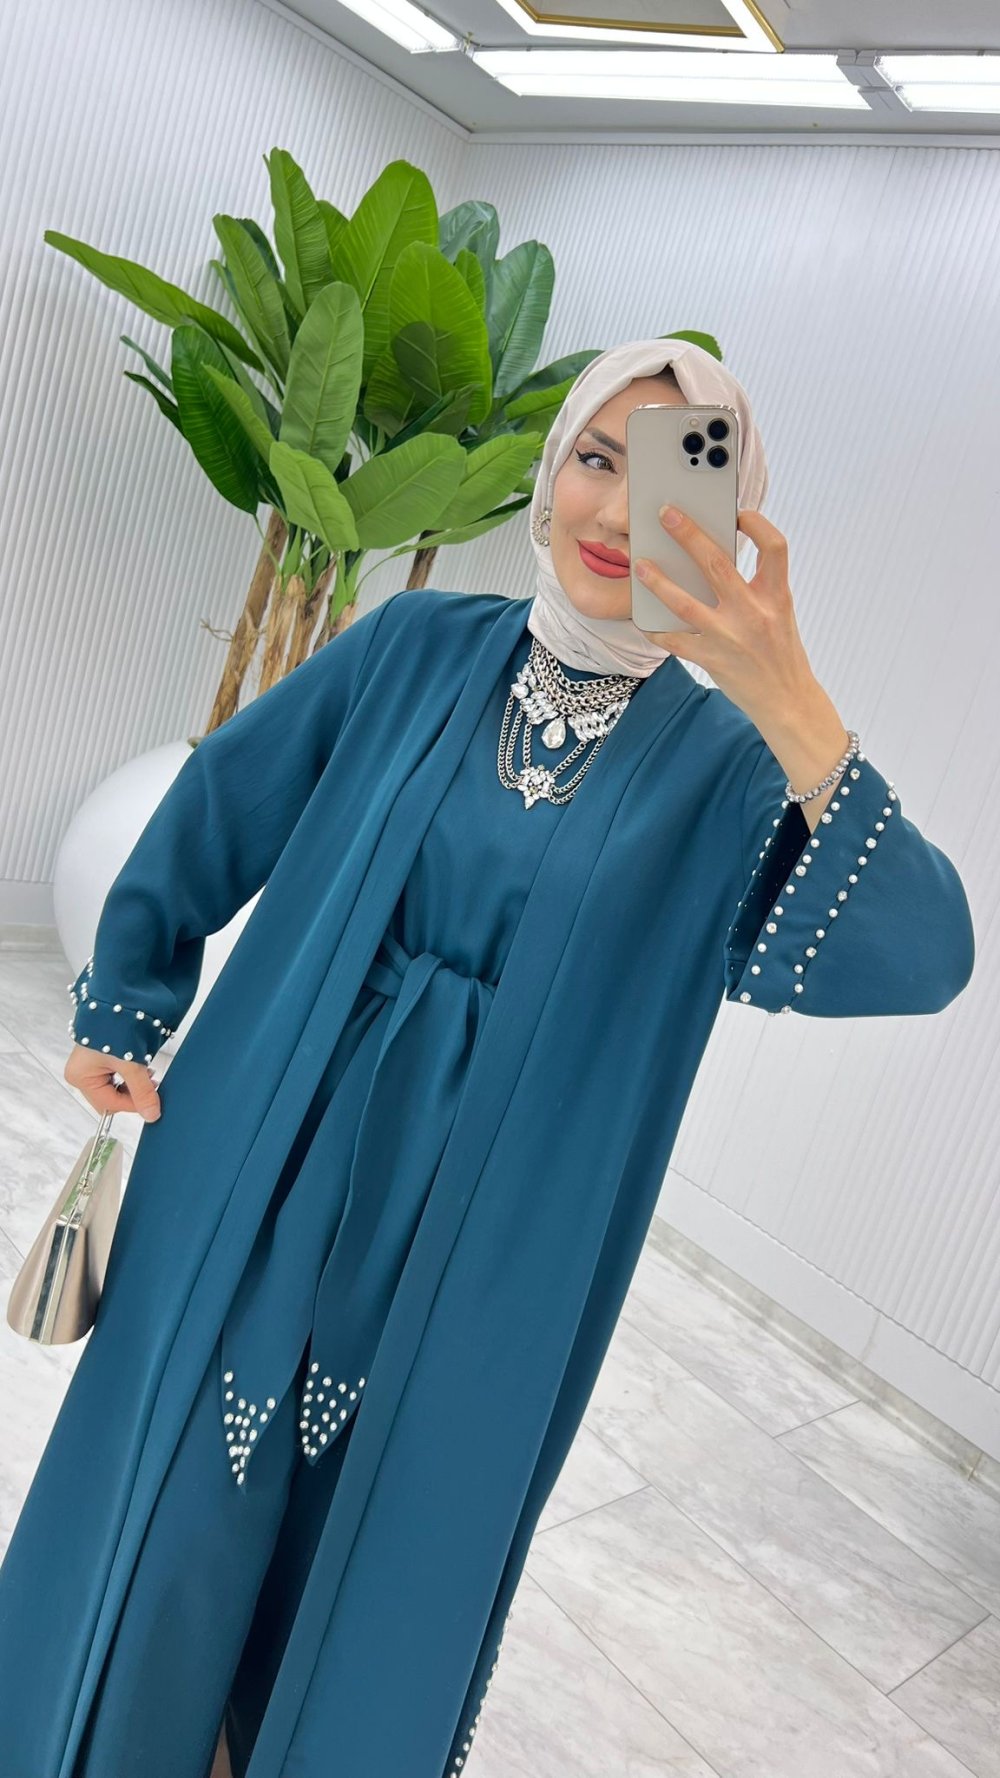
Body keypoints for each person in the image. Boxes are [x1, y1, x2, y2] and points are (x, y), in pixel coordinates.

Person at [0, 339, 975, 1778]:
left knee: (372, 1551)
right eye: (596, 459)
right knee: (174, 1502)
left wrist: (790, 700)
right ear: (553, 467)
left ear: (723, 514)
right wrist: (125, 995)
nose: (615, 512)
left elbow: (923, 953)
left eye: (668, 481)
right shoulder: (416, 648)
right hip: (261, 1155)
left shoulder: (728, 777)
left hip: (487, 1245)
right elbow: (226, 792)